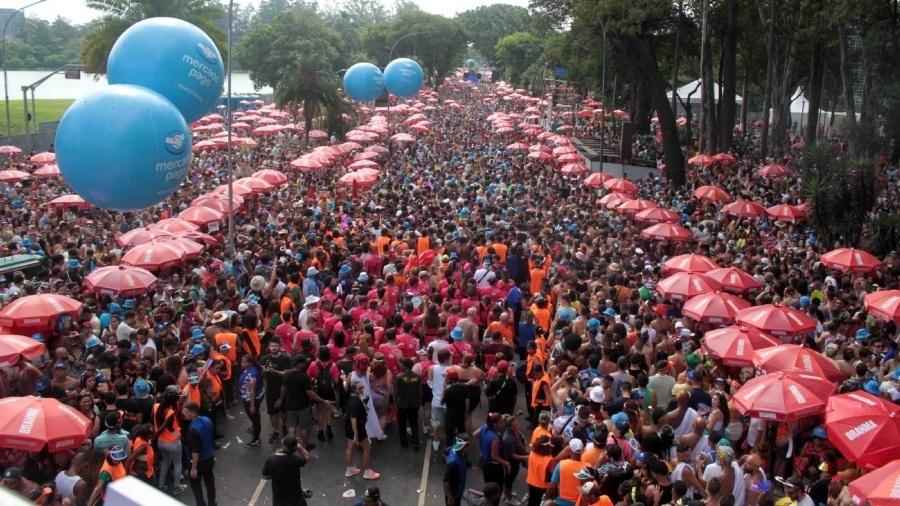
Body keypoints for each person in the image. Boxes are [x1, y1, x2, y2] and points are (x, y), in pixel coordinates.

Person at [276, 354, 325, 451]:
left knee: (291, 426)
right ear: (300, 364)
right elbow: (310, 393)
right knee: (304, 427)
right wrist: (322, 400)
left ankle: (290, 446)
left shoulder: (287, 374)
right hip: (303, 406)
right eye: (304, 362)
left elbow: (283, 389)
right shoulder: (304, 376)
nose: (306, 364)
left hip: (290, 405)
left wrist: (281, 399)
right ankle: (305, 445)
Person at [152, 385, 185, 495]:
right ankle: (176, 487)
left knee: (166, 461)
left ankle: (161, 485)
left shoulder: (156, 406)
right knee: (177, 464)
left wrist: (155, 438)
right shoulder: (170, 412)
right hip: (173, 442)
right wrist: (154, 438)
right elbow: (163, 427)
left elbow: (155, 422)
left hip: (161, 443)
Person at [183, 401, 217, 506]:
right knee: (210, 483)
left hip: (199, 462)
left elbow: (195, 451)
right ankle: (212, 503)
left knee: (196, 486)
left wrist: (193, 468)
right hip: (209, 457)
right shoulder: (207, 420)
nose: (184, 415)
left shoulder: (193, 429)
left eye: (186, 413)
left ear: (193, 413)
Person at [345, 381, 381, 480]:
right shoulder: (355, 402)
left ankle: (349, 469)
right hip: (357, 429)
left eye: (362, 388)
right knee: (367, 448)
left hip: (349, 428)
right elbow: (353, 418)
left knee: (350, 447)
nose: (362, 390)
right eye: (359, 389)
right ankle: (367, 471)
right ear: (353, 389)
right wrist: (356, 435)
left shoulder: (351, 398)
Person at [262, 435, 312, 506]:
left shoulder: (271, 459)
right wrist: (299, 447)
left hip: (279, 500)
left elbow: (265, 476)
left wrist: (276, 475)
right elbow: (307, 456)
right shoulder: (296, 459)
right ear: (294, 448)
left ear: (282, 444)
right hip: (295, 498)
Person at [260, 339, 292, 443]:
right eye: (272, 346)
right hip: (270, 389)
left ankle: (284, 426)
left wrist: (274, 371)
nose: (273, 348)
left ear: (279, 347)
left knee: (283, 411)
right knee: (272, 412)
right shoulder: (265, 358)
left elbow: (286, 374)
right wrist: (263, 371)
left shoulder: (285, 358)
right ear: (269, 347)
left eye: (275, 346)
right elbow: (262, 373)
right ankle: (275, 431)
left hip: (284, 388)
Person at [393, 356, 422, 450]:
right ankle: (415, 442)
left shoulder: (399, 377)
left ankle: (404, 443)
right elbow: (420, 391)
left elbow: (396, 392)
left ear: (404, 366)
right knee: (414, 423)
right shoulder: (417, 376)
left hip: (402, 404)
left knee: (402, 424)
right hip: (414, 404)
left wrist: (396, 400)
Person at [239, 354, 265, 447]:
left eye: (244, 362)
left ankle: (256, 439)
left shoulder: (251, 374)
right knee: (255, 417)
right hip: (253, 396)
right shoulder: (252, 369)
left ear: (250, 363)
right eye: (242, 361)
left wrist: (252, 405)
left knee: (255, 419)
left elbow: (252, 390)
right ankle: (255, 428)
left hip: (250, 399)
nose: (242, 363)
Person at [443, 435, 470, 506]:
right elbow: (446, 481)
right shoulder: (453, 463)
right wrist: (450, 496)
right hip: (454, 493)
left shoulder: (456, 450)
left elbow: (444, 451)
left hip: (459, 490)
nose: (469, 448)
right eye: (467, 446)